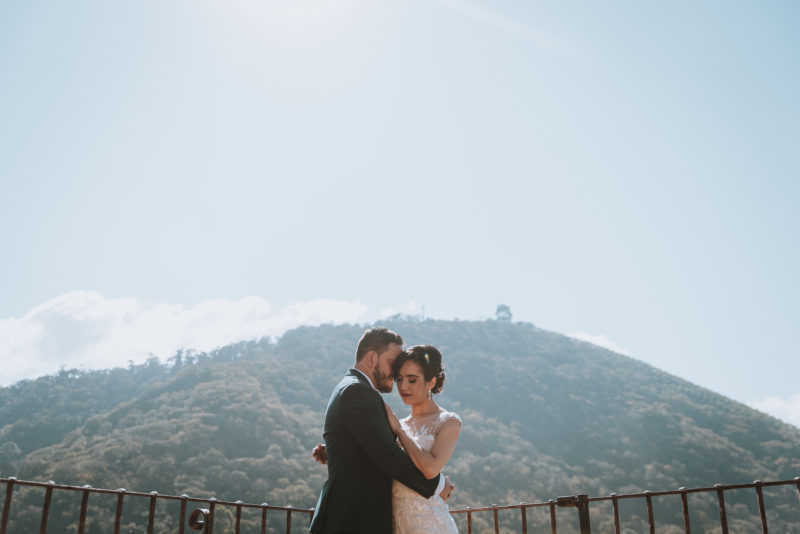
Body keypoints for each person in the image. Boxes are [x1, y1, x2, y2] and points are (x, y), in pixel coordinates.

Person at [309, 327, 453, 534]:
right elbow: (386, 455)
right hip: (351, 519)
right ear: (371, 358)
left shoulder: (354, 388)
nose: (396, 372)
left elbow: (364, 445)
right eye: (393, 363)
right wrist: (438, 485)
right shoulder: (357, 391)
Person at [385, 344, 462, 534]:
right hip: (397, 525)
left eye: (412, 380)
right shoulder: (397, 423)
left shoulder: (449, 422)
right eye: (400, 379)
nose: (403, 387)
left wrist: (400, 432)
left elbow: (430, 469)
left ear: (431, 382)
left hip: (431, 526)